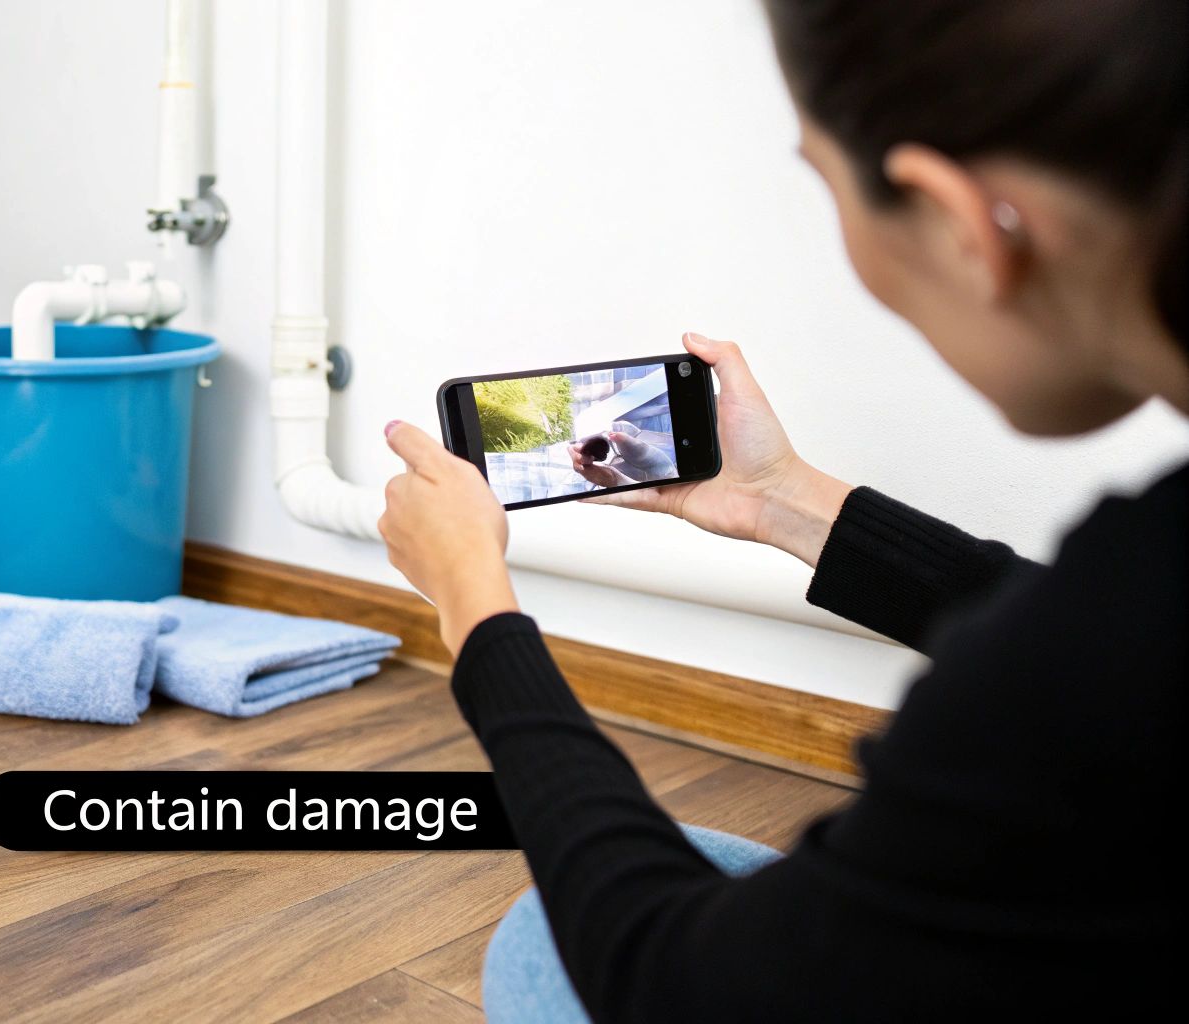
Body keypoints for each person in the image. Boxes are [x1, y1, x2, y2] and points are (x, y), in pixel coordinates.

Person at [375, 1, 1186, 1020]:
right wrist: (783, 500)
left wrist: (475, 609)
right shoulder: (1133, 609)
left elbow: (659, 981)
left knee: (548, 950)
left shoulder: (1067, 679)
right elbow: (1089, 651)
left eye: (822, 183)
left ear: (960, 222)